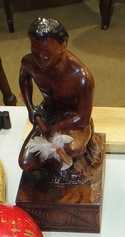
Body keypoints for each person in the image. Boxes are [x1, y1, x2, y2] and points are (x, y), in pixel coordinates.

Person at [18, 18, 95, 172]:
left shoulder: (81, 77)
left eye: (47, 53)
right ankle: (52, 164)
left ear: (63, 46)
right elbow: (24, 79)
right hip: (47, 114)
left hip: (73, 120)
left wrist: (56, 129)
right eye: (35, 50)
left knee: (73, 148)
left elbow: (83, 117)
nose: (40, 58)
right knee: (26, 164)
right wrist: (30, 108)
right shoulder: (30, 63)